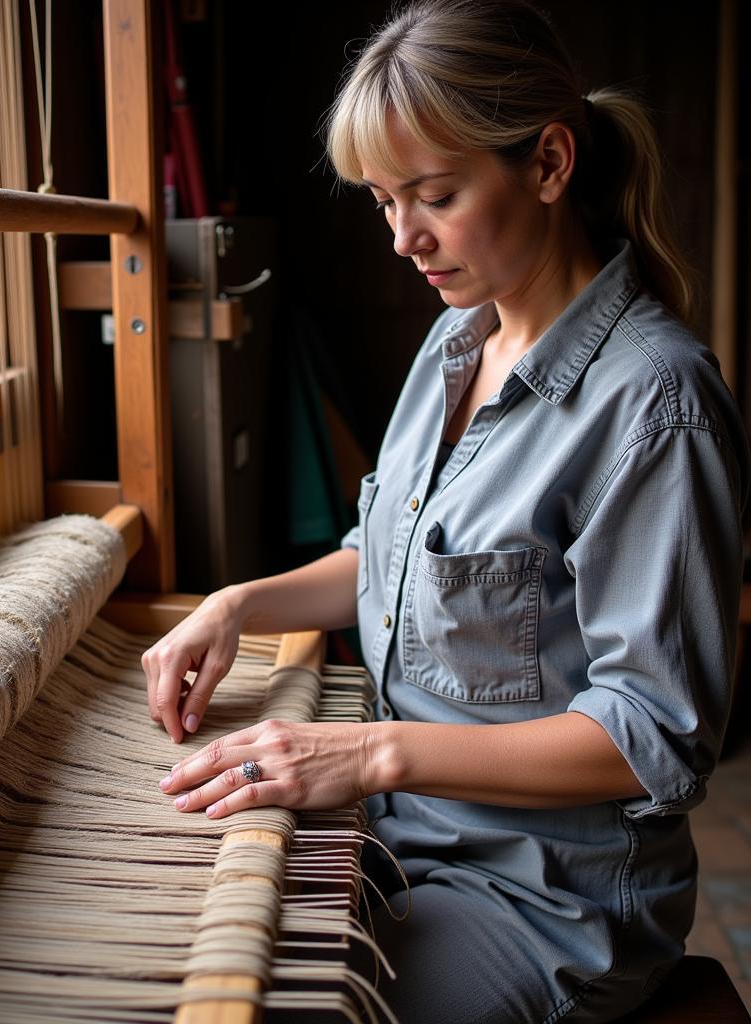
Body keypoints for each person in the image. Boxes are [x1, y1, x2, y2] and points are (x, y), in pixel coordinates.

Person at [144, 1, 750, 1020]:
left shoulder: (655, 404)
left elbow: (652, 736)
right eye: (383, 202)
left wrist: (372, 751)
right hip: (407, 832)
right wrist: (239, 601)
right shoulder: (455, 341)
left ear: (550, 164)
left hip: (548, 900)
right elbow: (390, 557)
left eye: (434, 195)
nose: (402, 238)